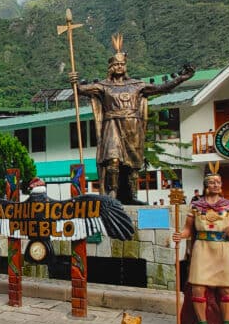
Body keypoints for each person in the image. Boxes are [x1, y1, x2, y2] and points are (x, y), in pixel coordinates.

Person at [70, 35, 193, 203]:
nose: (120, 67)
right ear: (111, 67)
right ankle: (112, 193)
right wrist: (75, 82)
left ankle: (133, 195)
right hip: (112, 124)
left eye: (122, 64)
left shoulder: (137, 85)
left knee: (133, 164)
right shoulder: (103, 86)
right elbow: (81, 90)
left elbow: (161, 88)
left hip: (132, 126)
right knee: (112, 159)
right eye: (116, 64)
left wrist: (180, 79)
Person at [172, 174, 229, 324]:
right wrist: (180, 235)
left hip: (223, 247)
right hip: (202, 247)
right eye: (213, 182)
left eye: (219, 182)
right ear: (206, 185)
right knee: (198, 287)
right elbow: (188, 229)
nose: (216, 185)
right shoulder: (196, 206)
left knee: (226, 287)